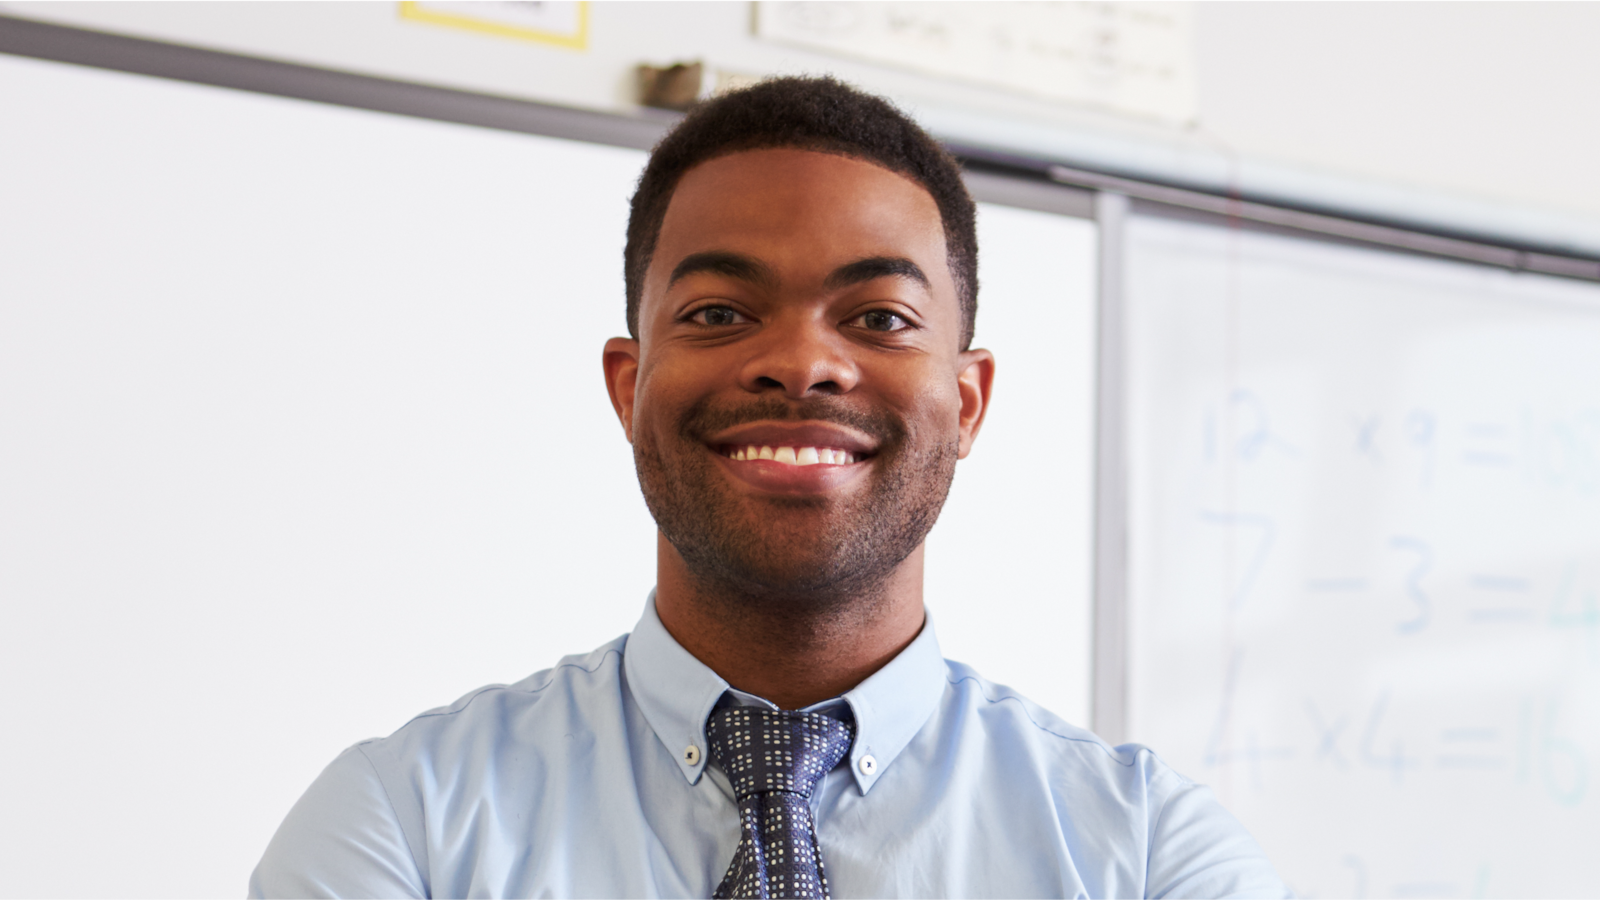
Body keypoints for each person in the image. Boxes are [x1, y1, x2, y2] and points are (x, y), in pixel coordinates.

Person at [250, 76, 1289, 900]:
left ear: (967, 402)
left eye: (878, 318)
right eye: (715, 314)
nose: (800, 363)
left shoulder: (1148, 858)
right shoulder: (404, 831)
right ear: (629, 386)